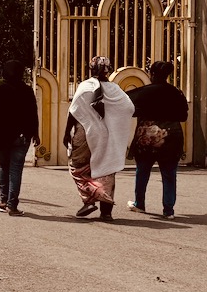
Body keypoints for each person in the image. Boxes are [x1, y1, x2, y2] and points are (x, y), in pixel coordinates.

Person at [65, 56, 135, 220]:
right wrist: (113, 123)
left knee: (78, 168)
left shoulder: (86, 86)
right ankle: (106, 212)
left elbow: (73, 112)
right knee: (107, 170)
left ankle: (89, 201)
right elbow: (129, 108)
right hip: (106, 135)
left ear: (91, 69)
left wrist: (66, 133)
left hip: (84, 133)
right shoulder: (116, 90)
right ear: (109, 70)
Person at [127, 60, 189, 218]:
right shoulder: (176, 93)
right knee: (169, 174)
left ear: (152, 74)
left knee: (143, 170)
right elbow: (183, 116)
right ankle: (169, 210)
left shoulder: (143, 92)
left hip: (147, 135)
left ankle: (139, 203)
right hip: (171, 136)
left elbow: (127, 108)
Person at [0, 59, 38, 215]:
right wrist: (35, 133)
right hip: (21, 137)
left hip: (2, 136)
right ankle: (12, 205)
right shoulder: (27, 90)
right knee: (15, 170)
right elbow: (32, 113)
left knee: (3, 166)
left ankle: (3, 200)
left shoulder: (0, 88)